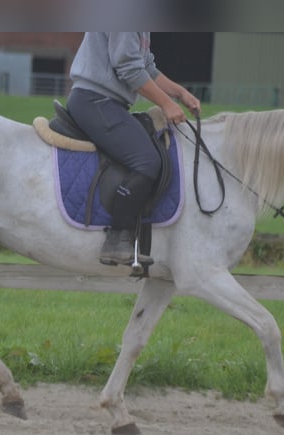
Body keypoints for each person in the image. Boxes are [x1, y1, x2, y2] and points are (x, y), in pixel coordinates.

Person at [66, 32, 201, 267]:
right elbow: (128, 67)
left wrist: (179, 93)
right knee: (147, 160)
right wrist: (166, 103)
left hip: (107, 102)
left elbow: (145, 65)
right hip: (96, 102)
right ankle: (117, 240)